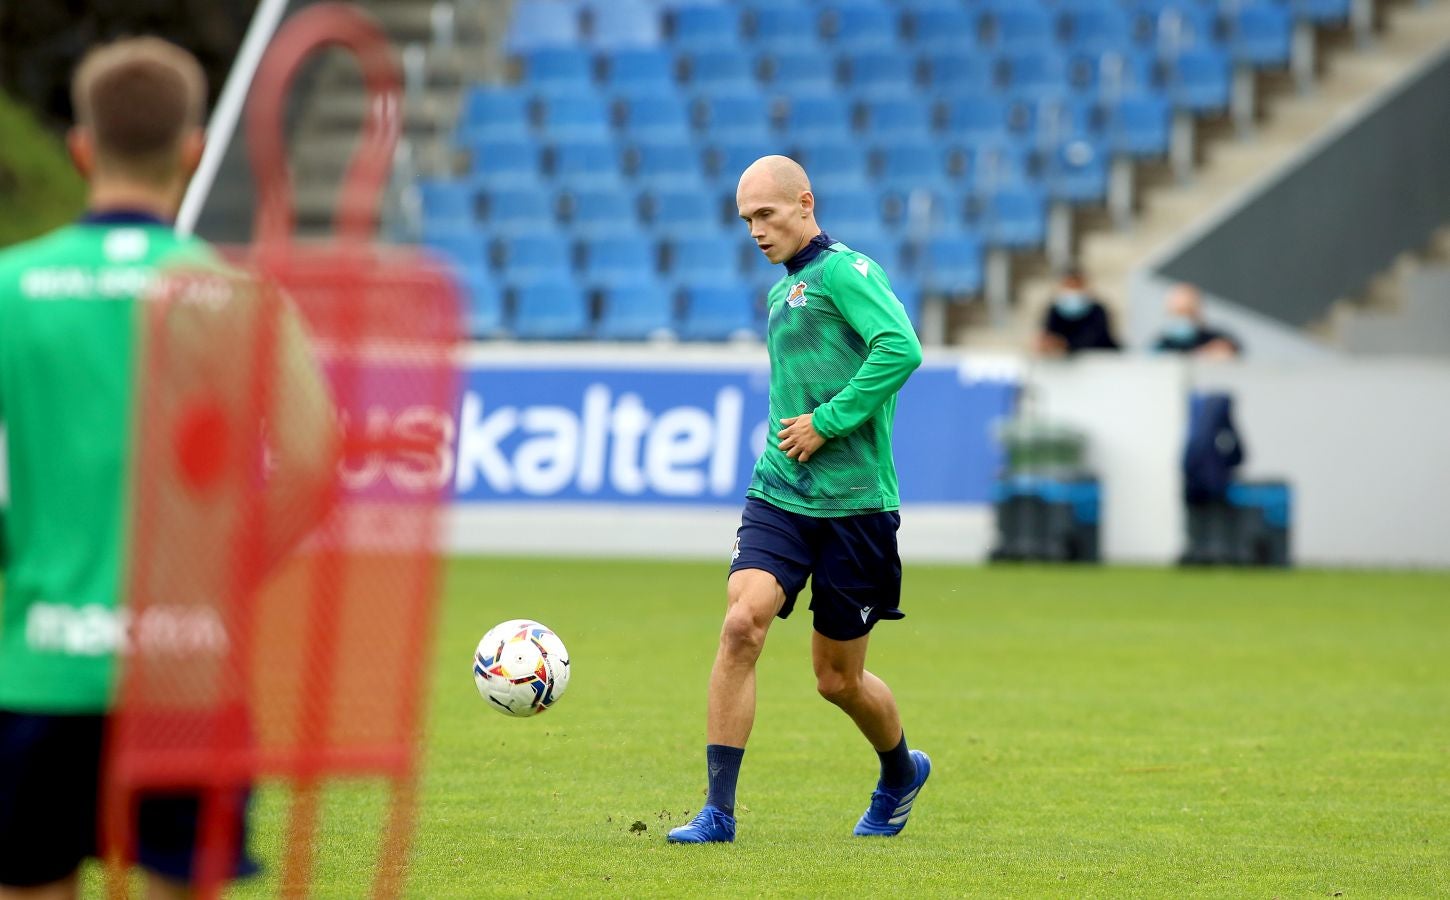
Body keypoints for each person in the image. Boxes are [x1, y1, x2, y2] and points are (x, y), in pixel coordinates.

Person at [0, 37, 336, 898]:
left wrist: (20, 557)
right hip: (189, 673)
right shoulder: (242, 298)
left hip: (42, 667)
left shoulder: (11, 287)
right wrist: (216, 572)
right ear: (191, 150)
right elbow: (309, 463)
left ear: (81, 148)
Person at [666, 156, 929, 844]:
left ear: (805, 203)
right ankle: (718, 812)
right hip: (781, 493)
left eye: (766, 214)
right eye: (746, 220)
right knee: (741, 624)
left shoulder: (847, 272)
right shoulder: (783, 292)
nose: (755, 230)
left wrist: (828, 421)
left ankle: (901, 771)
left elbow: (901, 349)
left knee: (837, 681)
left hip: (856, 507)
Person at [1035, 267, 1120, 356]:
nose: (1073, 290)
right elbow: (1049, 335)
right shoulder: (1054, 311)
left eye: (1076, 286)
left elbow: (1095, 338)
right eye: (1069, 285)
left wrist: (1065, 344)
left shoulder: (1097, 310)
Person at [1152, 282, 1242, 358]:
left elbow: (1234, 352)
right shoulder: (1162, 344)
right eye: (1179, 312)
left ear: (1198, 311)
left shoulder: (1215, 339)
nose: (1184, 316)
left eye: (1189, 311)